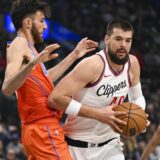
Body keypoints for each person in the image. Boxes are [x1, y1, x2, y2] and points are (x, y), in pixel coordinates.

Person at [2, 0, 99, 159]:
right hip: (42, 129)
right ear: (27, 22)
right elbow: (7, 88)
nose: (45, 26)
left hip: (39, 130)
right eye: (41, 21)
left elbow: (46, 79)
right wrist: (34, 63)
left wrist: (74, 55)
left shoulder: (28, 47)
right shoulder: (19, 44)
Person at [48, 19, 147, 160]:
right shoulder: (92, 65)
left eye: (128, 40)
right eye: (118, 39)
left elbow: (137, 97)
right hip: (78, 147)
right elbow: (55, 99)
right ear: (107, 39)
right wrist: (98, 114)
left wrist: (140, 115)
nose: (123, 45)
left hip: (111, 145)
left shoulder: (132, 63)